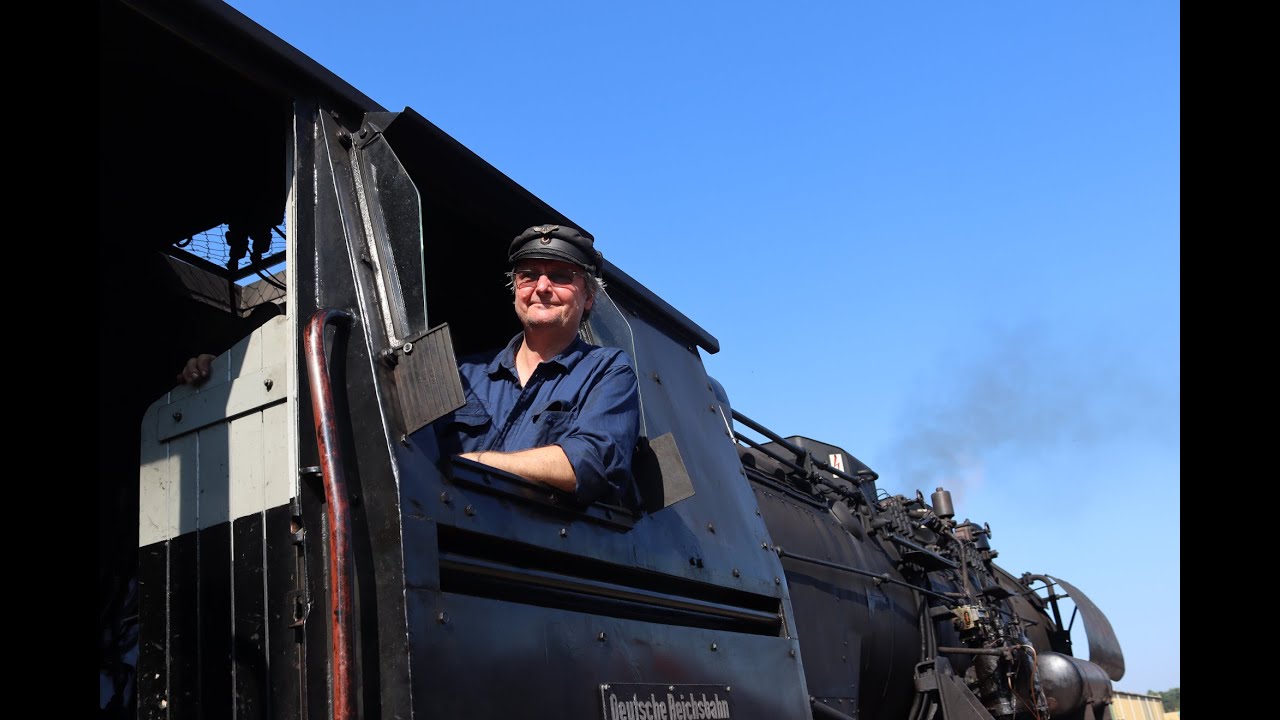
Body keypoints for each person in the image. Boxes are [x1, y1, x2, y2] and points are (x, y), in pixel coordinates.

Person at [437, 224, 640, 506]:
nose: (542, 287)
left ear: (589, 297)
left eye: (560, 277)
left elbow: (591, 461)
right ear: (516, 290)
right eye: (528, 276)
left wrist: (478, 463)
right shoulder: (464, 374)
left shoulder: (608, 371)